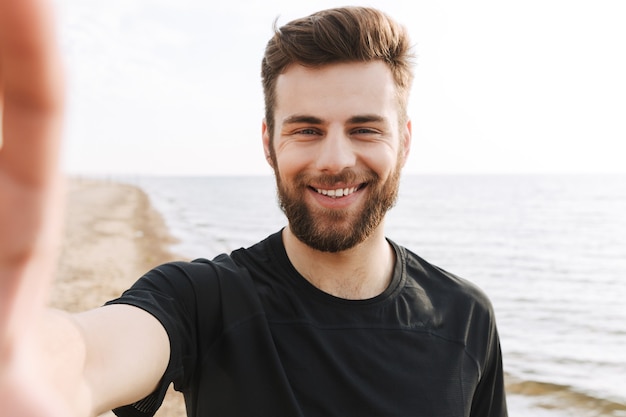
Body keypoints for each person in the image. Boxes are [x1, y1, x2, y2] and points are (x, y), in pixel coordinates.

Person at [0, 2, 508, 416]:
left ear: (405, 141)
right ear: (269, 143)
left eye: (365, 128)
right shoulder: (203, 300)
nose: (335, 159)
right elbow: (90, 354)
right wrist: (27, 365)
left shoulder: (466, 319)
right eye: (306, 129)